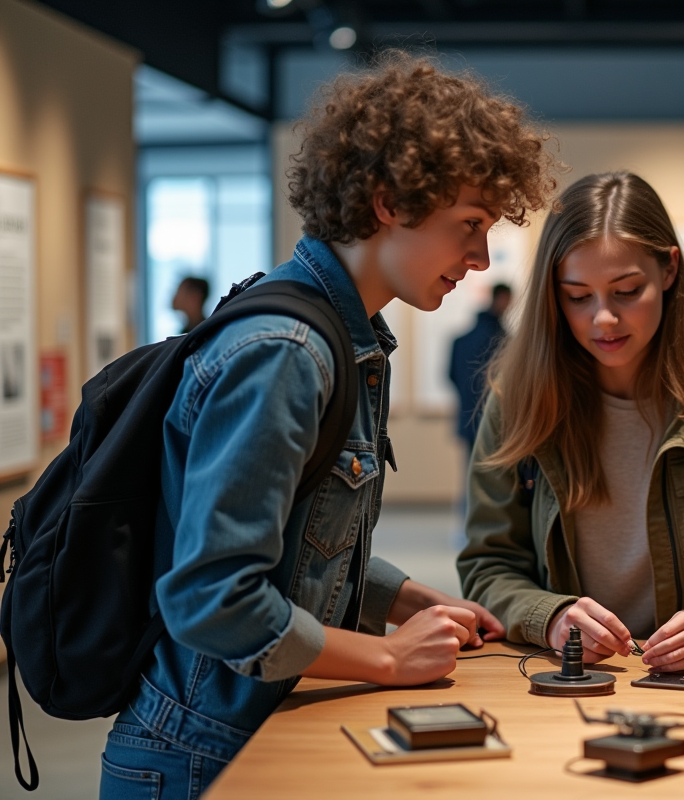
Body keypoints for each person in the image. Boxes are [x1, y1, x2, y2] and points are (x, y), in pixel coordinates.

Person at [98, 54, 558, 800]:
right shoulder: (288, 352)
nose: (478, 258)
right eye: (469, 226)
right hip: (201, 752)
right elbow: (212, 598)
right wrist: (386, 659)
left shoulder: (346, 337)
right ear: (388, 202)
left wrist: (408, 601)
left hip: (250, 726)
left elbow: (298, 542)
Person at [458, 172, 684, 673]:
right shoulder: (520, 403)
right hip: (564, 687)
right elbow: (488, 565)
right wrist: (550, 617)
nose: (603, 319)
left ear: (670, 271)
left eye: (627, 290)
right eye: (577, 296)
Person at [450, 283, 512, 448]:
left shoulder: (462, 341)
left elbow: (452, 376)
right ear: (501, 298)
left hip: (469, 419)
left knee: (472, 470)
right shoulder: (501, 340)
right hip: (496, 420)